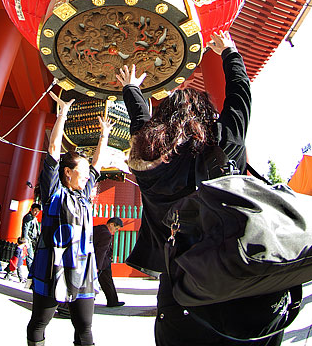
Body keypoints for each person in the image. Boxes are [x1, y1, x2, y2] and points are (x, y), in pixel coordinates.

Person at [116, 31, 286, 346]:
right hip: (244, 286)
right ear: (205, 116)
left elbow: (140, 121)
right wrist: (230, 53)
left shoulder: (149, 165)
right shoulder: (224, 144)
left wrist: (131, 88)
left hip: (182, 298)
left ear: (161, 124)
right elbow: (240, 98)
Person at [27, 91, 112, 346]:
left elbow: (97, 163)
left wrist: (104, 135)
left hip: (82, 267)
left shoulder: (84, 194)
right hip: (52, 264)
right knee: (40, 322)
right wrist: (62, 114)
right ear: (67, 172)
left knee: (85, 326)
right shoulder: (54, 192)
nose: (87, 176)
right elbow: (54, 149)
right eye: (82, 172)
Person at [93, 217, 124, 307]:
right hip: (102, 263)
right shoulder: (106, 234)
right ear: (111, 224)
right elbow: (101, 251)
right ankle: (112, 301)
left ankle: (113, 301)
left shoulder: (97, 228)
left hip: (94, 260)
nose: (115, 231)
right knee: (107, 282)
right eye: (116, 228)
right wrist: (98, 266)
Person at [22, 203, 41, 270]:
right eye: (35, 210)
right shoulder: (28, 217)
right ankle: (31, 272)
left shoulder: (34, 218)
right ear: (31, 209)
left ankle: (9, 269)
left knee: (21, 256)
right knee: (30, 256)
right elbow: (25, 229)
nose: (36, 213)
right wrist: (25, 240)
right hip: (28, 240)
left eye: (38, 211)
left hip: (33, 240)